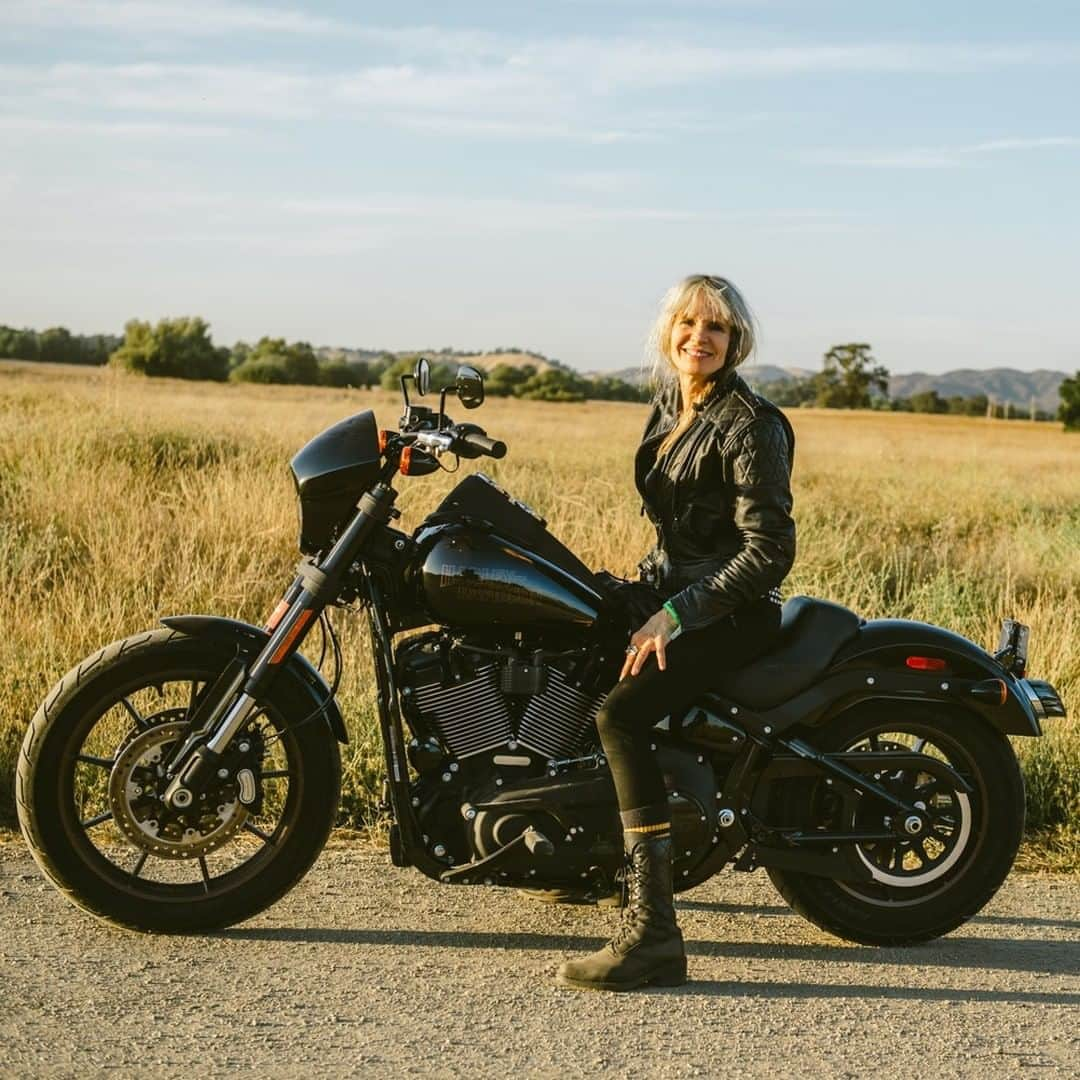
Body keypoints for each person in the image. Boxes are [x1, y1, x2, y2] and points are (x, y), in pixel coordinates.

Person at [556, 274, 796, 992]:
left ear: (736, 340)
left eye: (716, 327)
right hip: (673, 593)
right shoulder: (673, 405)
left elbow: (767, 550)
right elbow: (678, 529)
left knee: (620, 717)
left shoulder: (749, 423)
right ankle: (594, 857)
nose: (700, 337)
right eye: (688, 323)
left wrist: (678, 611)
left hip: (731, 613)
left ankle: (654, 932)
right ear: (668, 332)